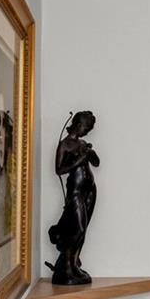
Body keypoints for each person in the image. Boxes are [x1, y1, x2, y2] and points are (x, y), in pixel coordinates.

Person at [47, 110, 98, 285]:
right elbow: (59, 170)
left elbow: (96, 162)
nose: (87, 132)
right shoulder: (65, 145)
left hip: (89, 190)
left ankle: (74, 264)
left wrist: (90, 154)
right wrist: (79, 159)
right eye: (86, 128)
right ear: (78, 125)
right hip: (75, 191)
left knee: (84, 228)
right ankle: (66, 268)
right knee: (77, 228)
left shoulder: (82, 143)